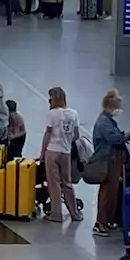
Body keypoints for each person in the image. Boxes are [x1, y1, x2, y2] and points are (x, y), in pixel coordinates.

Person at [92, 89, 130, 237]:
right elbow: (113, 139)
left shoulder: (108, 121)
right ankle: (100, 222)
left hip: (113, 160)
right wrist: (128, 134)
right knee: (107, 192)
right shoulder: (103, 123)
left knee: (113, 192)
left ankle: (108, 220)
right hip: (107, 161)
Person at [40, 87, 84, 225]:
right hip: (66, 152)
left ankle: (56, 214)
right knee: (67, 183)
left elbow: (48, 133)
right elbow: (76, 135)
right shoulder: (74, 114)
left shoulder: (52, 114)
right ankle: (74, 213)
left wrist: (42, 152)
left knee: (54, 184)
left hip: (52, 151)